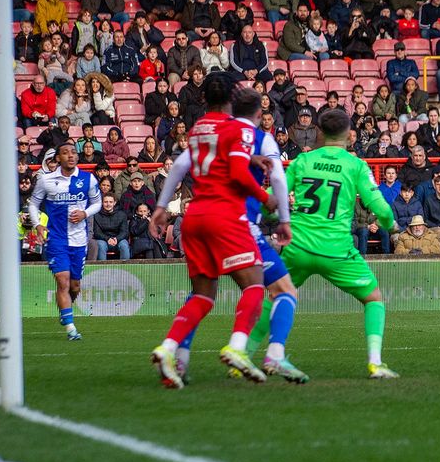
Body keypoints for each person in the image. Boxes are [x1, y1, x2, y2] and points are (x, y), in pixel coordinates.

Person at [157, 87, 305, 383]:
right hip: (234, 220)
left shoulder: (204, 130)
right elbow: (274, 175)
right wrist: (278, 212)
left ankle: (176, 354)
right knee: (273, 288)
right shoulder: (256, 136)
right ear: (260, 114)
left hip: (196, 216)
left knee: (202, 293)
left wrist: (161, 206)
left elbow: (181, 165)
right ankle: (262, 352)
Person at [275, 109, 399, 378]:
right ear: (348, 134)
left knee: (277, 296)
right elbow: (382, 209)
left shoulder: (302, 160)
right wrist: (390, 225)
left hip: (298, 246)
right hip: (337, 250)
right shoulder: (356, 166)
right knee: (374, 298)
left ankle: (246, 352)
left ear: (319, 131)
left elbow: (277, 198)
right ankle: (375, 363)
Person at [29, 143, 102, 341]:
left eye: (72, 152)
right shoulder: (46, 180)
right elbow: (34, 204)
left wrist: (85, 213)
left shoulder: (88, 179)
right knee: (63, 281)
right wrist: (38, 225)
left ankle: (65, 311)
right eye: (65, 153)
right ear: (58, 158)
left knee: (75, 286)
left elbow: (98, 203)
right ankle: (71, 328)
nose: (70, 155)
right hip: (56, 239)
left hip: (79, 241)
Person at [92, 193, 129, 261]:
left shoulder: (122, 214)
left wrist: (116, 239)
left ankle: (125, 268)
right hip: (103, 240)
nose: (108, 204)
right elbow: (97, 232)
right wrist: (107, 239)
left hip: (118, 239)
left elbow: (124, 232)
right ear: (102, 203)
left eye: (110, 202)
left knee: (124, 245)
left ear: (114, 203)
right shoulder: (96, 215)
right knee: (100, 245)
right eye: (106, 202)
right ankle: (102, 270)